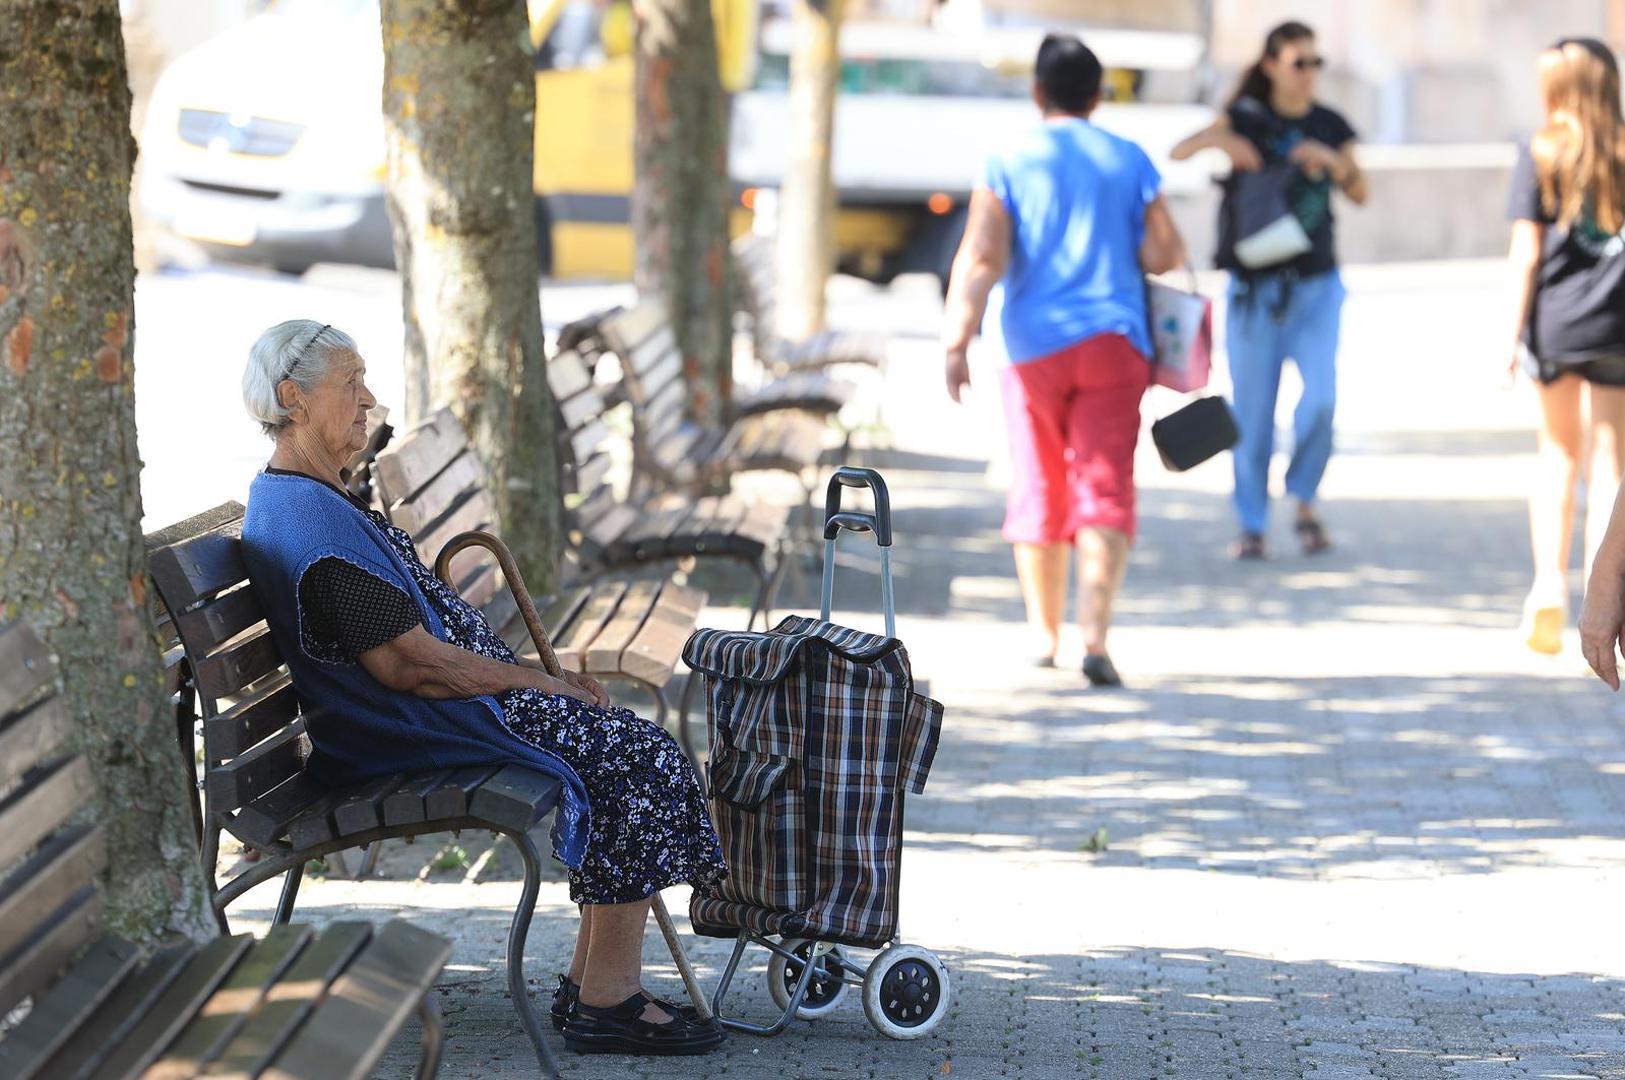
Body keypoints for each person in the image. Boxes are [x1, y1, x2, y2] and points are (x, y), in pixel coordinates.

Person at [238, 319, 726, 1057]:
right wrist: (536, 682)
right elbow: (412, 670)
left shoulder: (309, 497)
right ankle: (607, 1002)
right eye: (350, 384)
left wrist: (537, 684)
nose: (368, 398)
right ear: (291, 398)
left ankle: (596, 987)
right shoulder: (308, 521)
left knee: (624, 744)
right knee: (636, 756)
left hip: (414, 715)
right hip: (402, 729)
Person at [942, 33, 1186, 687]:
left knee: (1038, 482)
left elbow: (983, 258)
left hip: (1031, 348)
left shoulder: (1007, 159)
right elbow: (1164, 254)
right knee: (1105, 484)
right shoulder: (1128, 159)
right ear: (1098, 94)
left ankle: (1044, 637)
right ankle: (1095, 639)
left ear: (1037, 92)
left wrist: (955, 338)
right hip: (1114, 342)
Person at [1171, 20, 1366, 560]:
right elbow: (1179, 153)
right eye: (1298, 62)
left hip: (1315, 286)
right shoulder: (1246, 117)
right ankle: (1252, 523)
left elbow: (1361, 190)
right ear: (1271, 65)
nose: (1308, 73)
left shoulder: (1330, 124)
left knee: (1321, 401)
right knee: (1252, 417)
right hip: (1254, 291)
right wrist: (1222, 139)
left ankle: (1303, 496)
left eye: (1315, 62)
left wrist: (1331, 162)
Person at [1510, 39, 1625, 655]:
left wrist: (1508, 335)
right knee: (1612, 460)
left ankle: (1547, 584)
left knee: (1557, 452)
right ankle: (1601, 594)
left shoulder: (1540, 150)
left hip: (1556, 322)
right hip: (1616, 324)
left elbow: (1525, 253)